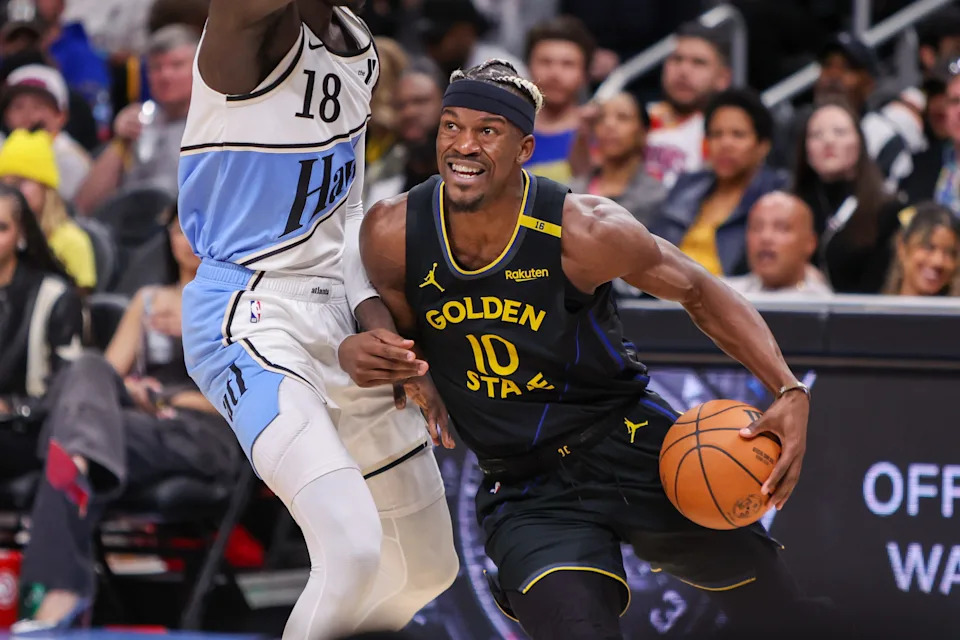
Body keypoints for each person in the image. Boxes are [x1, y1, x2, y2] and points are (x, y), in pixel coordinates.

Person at [354, 59, 819, 640]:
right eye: (451, 126)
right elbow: (379, 309)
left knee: (780, 614)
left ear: (525, 148)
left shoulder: (586, 231)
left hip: (630, 445)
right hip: (526, 485)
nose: (463, 145)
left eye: (487, 131)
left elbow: (700, 290)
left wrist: (787, 387)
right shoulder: (394, 231)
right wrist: (394, 354)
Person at [177, 2, 458, 639]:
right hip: (248, 310)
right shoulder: (246, 29)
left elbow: (347, 212)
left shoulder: (358, 43)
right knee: (352, 547)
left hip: (334, 306)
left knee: (425, 567)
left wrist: (371, 319)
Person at [10, 205, 239, 631]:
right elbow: (105, 378)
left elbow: (244, 395)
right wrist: (135, 392)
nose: (184, 238)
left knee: (75, 439)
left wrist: (192, 339)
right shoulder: (148, 299)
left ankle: (60, 592)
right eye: (177, 229)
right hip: (141, 424)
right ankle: (79, 458)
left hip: (205, 431)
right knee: (88, 367)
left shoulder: (240, 302)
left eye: (196, 229)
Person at [651, 88, 787, 277]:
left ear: (763, 146)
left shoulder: (779, 195)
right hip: (665, 298)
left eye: (738, 135)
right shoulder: (686, 186)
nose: (725, 144)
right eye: (716, 134)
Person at [74, 25, 198, 214]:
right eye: (156, 68)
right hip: (135, 231)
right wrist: (120, 142)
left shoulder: (217, 125)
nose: (165, 75)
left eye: (176, 65)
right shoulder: (139, 122)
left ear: (198, 68)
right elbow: (84, 206)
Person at [0, 183, 82, 464]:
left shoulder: (54, 295)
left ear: (22, 233)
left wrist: (12, 406)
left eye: (1, 228)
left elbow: (70, 386)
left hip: (30, 427)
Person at [793, 100, 904, 294]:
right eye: (816, 135)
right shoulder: (789, 205)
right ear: (805, 149)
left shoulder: (887, 210)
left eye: (840, 132)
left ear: (860, 142)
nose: (828, 141)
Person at [0, 128, 96, 290]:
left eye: (21, 181)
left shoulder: (71, 241)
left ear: (46, 188)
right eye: (4, 183)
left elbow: (77, 308)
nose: (12, 191)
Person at [645, 22, 732, 189]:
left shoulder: (727, 133)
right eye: (677, 59)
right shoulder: (635, 119)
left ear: (723, 78)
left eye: (698, 63)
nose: (684, 71)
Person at [569, 91, 665, 226]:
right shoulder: (572, 192)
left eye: (622, 118)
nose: (609, 125)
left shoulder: (657, 198)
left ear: (643, 132)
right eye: (601, 118)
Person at [1, 63, 91, 200]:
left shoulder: (70, 159)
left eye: (38, 106)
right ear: (6, 115)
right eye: (18, 107)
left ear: (61, 116)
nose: (28, 115)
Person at [522, 15, 594, 185]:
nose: (555, 74)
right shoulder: (508, 129)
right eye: (545, 62)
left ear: (585, 74)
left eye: (568, 64)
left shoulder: (600, 132)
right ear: (528, 67)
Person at [724, 192, 832, 296]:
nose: (765, 237)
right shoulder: (726, 297)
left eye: (781, 228)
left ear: (810, 243)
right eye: (757, 227)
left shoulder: (826, 307)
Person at [882, 202, 960, 297]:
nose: (938, 261)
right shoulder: (871, 310)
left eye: (950, 253)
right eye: (928, 248)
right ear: (902, 248)